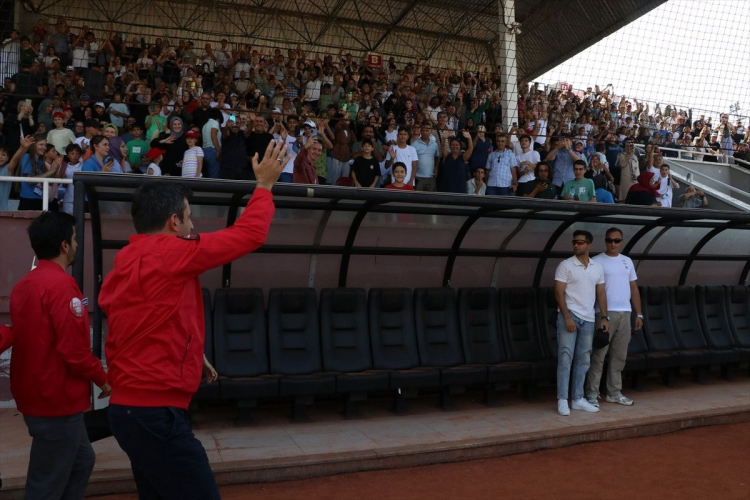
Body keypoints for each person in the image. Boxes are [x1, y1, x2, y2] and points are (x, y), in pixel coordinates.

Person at [99, 138, 290, 499]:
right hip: (155, 413)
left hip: (130, 410)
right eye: (189, 217)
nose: (193, 224)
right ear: (173, 222)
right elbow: (249, 234)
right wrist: (264, 185)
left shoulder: (127, 260)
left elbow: (146, 322)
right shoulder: (171, 252)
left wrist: (191, 351)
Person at [6, 211, 110, 499]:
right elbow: (75, 352)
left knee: (81, 461)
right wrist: (103, 380)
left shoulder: (23, 285)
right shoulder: (62, 287)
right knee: (46, 484)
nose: (76, 244)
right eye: (74, 239)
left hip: (38, 396)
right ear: (64, 246)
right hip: (56, 401)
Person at [585, 228, 643, 408]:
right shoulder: (596, 261)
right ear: (605, 241)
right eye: (610, 240)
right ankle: (592, 393)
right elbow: (590, 288)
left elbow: (633, 288)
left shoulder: (627, 261)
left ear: (621, 241)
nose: (613, 244)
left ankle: (614, 393)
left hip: (625, 312)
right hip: (604, 313)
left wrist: (639, 313)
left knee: (619, 356)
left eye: (616, 240)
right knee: (599, 355)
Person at [554, 230, 609, 416]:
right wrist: (567, 317)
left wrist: (604, 317)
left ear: (589, 245)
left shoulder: (597, 267)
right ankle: (562, 399)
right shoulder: (565, 265)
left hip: (589, 318)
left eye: (580, 242)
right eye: (574, 242)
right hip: (569, 315)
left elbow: (601, 293)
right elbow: (559, 293)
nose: (576, 245)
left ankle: (577, 399)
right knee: (565, 357)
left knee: (584, 359)